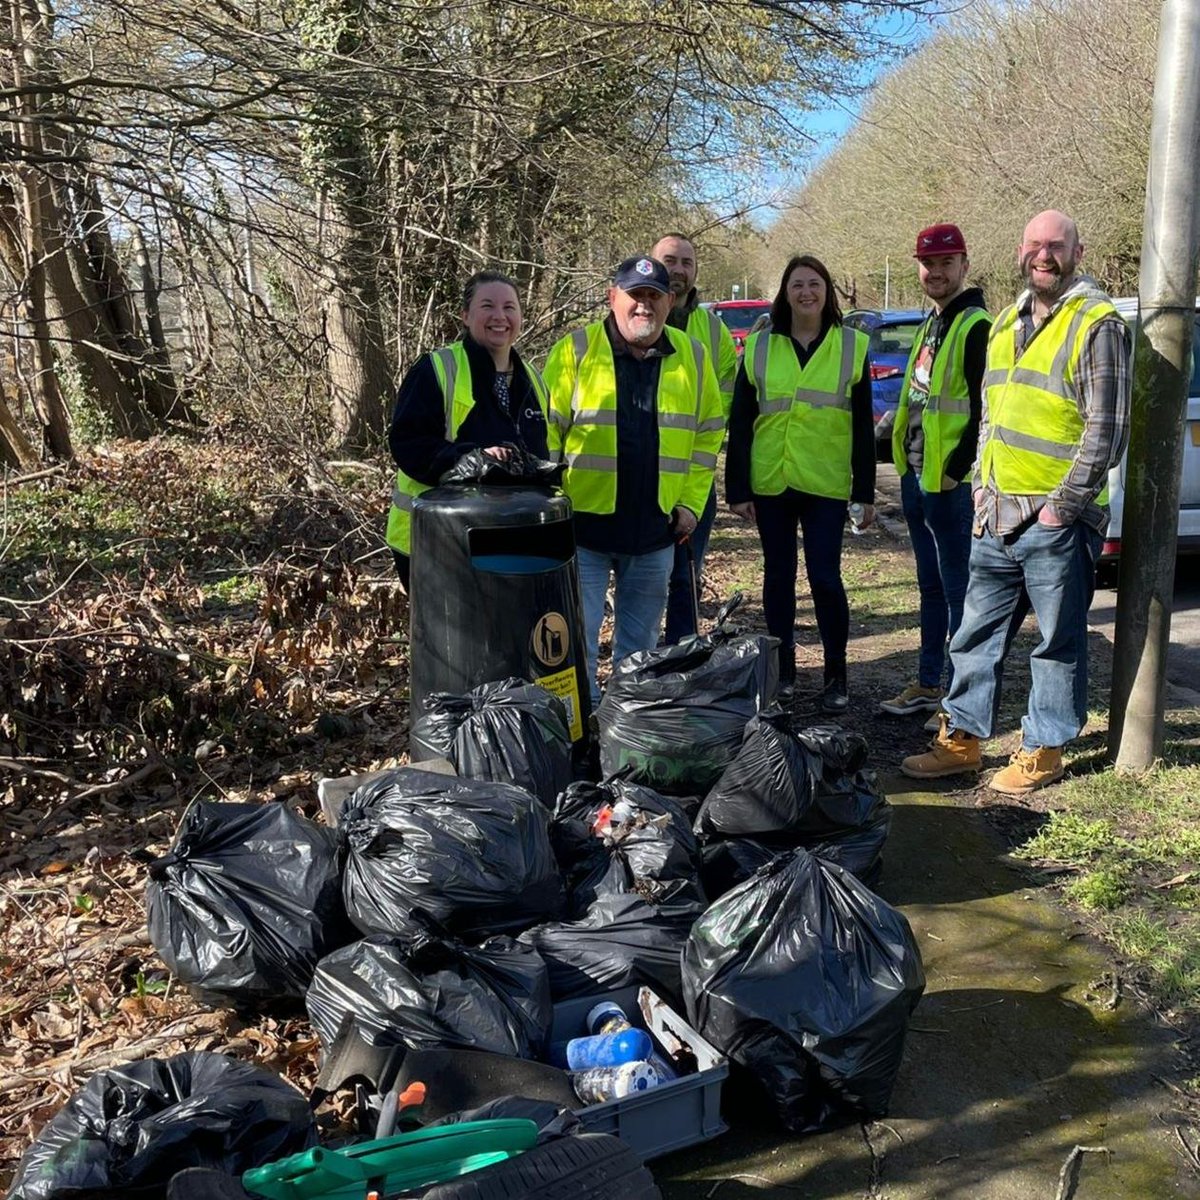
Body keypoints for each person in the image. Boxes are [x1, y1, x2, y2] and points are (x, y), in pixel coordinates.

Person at [901, 210, 1131, 793]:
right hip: (995, 512)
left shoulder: (1097, 322)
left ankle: (1044, 748)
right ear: (1020, 251)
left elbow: (1107, 429)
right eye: (1034, 245)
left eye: (1056, 246)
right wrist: (980, 484)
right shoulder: (1006, 321)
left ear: (1078, 253)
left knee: (1057, 641)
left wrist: (1061, 508)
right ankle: (963, 740)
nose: (1043, 256)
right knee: (975, 634)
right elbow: (989, 418)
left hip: (1056, 519)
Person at [543, 254, 724, 705]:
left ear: (669, 303)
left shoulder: (693, 357)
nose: (644, 306)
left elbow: (707, 436)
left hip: (654, 533)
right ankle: (581, 732)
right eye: (635, 296)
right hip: (581, 530)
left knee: (638, 652)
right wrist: (547, 509)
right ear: (613, 298)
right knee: (575, 645)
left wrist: (689, 504)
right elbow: (543, 437)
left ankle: (624, 733)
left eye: (654, 297)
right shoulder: (575, 351)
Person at [726, 254, 875, 712]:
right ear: (784, 293)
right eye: (797, 285)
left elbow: (864, 427)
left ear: (827, 291)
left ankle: (836, 675)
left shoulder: (852, 345)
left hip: (826, 483)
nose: (806, 292)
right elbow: (742, 420)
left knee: (826, 579)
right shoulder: (760, 346)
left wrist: (864, 493)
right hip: (772, 480)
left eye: (814, 284)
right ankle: (783, 671)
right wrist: (737, 489)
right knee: (778, 578)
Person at [879, 224, 991, 729]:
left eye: (947, 263)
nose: (936, 272)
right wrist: (904, 460)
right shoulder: (932, 322)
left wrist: (954, 471)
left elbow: (986, 412)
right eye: (928, 264)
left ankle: (955, 697)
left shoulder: (976, 325)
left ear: (965, 264)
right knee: (930, 586)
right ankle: (928, 683)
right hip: (917, 475)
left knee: (959, 591)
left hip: (950, 484)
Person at [385, 271, 549, 589]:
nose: (499, 317)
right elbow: (409, 444)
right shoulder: (436, 369)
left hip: (512, 543)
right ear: (465, 315)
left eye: (509, 308)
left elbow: (541, 450)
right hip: (437, 541)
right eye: (487, 306)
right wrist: (472, 460)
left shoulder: (533, 378)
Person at [651, 232, 738, 643]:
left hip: (692, 478)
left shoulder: (714, 332)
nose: (678, 270)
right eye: (670, 260)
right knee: (641, 577)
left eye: (686, 262)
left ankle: (680, 655)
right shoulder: (635, 314)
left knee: (686, 576)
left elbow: (722, 403)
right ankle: (638, 661)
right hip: (636, 474)